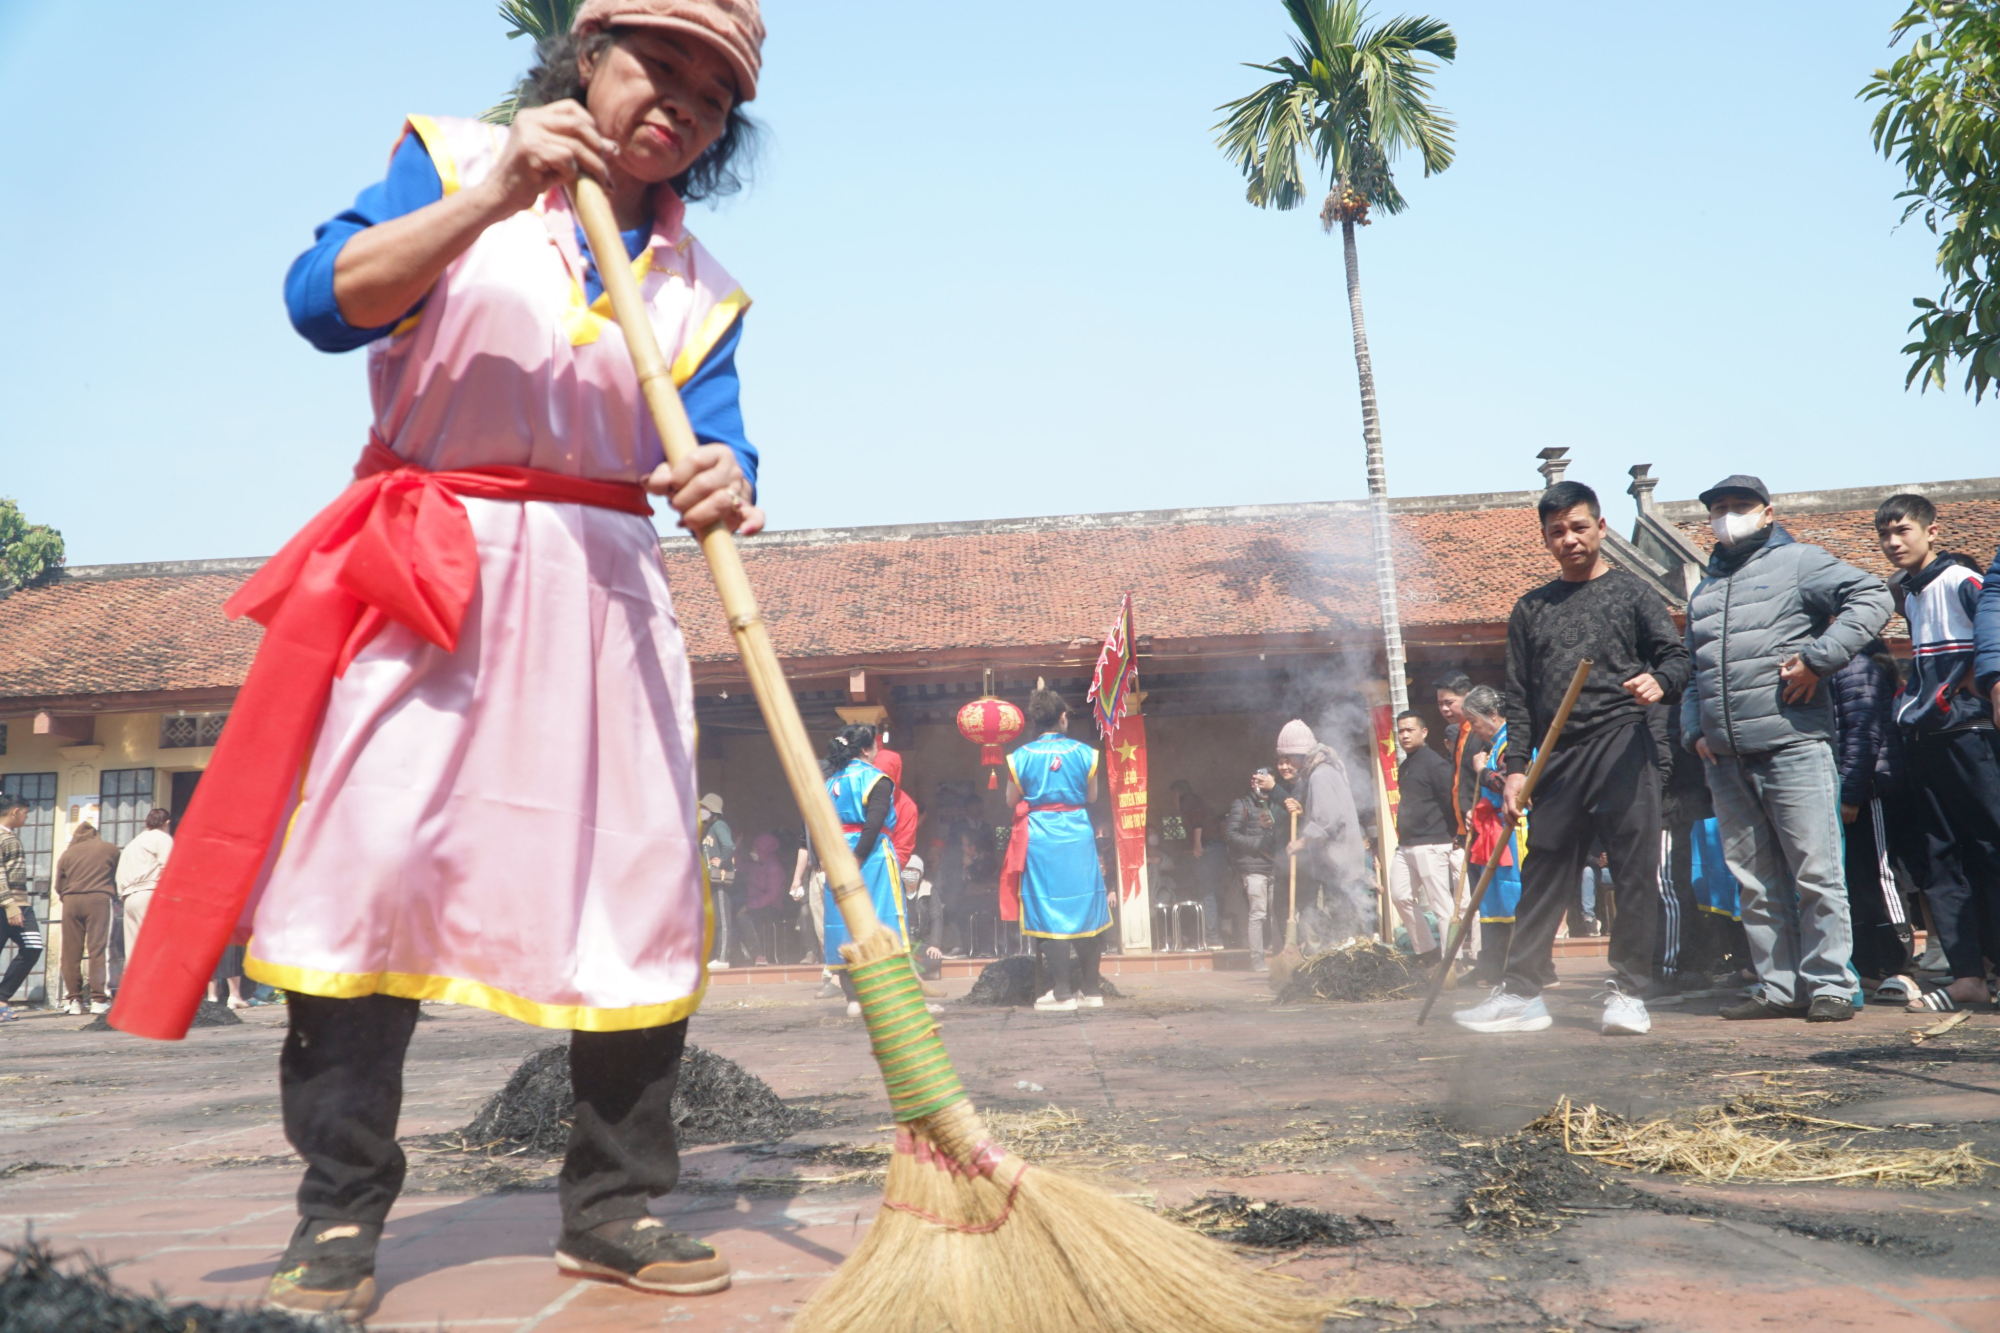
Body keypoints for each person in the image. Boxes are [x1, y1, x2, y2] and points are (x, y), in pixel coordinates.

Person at [111, 4, 770, 1315]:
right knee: (371, 871)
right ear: (590, 58)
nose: (680, 102)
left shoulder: (703, 287)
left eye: (713, 91)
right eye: (660, 65)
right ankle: (338, 1218)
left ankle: (616, 1203)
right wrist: (494, 195)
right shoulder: (451, 156)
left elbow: (722, 440)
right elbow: (324, 304)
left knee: (635, 890)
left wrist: (724, 477)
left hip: (608, 589)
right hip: (435, 564)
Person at [1455, 480, 1690, 1038]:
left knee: (1635, 870)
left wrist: (1658, 682)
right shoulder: (1530, 609)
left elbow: (1677, 657)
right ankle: (1522, 991)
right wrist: (1516, 769)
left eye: (1579, 527)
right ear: (1545, 539)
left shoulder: (1633, 593)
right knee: (1545, 867)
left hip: (1621, 741)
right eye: (1557, 531)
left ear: (1601, 528)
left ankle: (1629, 991)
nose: (1570, 539)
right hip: (1556, 754)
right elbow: (1519, 696)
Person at [1683, 475, 1891, 1023]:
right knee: (1754, 881)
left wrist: (1819, 659)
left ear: (1768, 512)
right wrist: (1694, 731)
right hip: (1726, 757)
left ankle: (1830, 984)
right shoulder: (1704, 590)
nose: (1728, 516)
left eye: (1739, 506)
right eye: (1719, 508)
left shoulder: (1799, 562)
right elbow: (1692, 673)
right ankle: (1778, 986)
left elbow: (1874, 595)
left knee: (1815, 872)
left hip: (1792, 745)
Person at [1879, 493, 2000, 1012]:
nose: (1892, 542)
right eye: (1884, 534)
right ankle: (1968, 974)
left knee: (1991, 850)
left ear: (1932, 531)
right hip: (1925, 742)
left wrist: (1969, 691)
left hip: (1971, 737)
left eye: (1902, 530)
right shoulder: (1906, 594)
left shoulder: (1964, 582)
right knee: (1941, 860)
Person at [1004, 689, 1111, 1011]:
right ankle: (1091, 991)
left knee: (1048, 909)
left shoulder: (1020, 756)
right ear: (1062, 717)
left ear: (1036, 720)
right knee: (1086, 907)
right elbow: (1091, 797)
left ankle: (1062, 991)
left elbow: (1011, 800)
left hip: (1041, 837)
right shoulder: (1085, 753)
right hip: (1077, 833)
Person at [1829, 637, 1919, 1003]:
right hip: (1843, 786)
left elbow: (1864, 734)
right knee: (1852, 878)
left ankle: (1898, 966)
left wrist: (1852, 792)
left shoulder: (1856, 668)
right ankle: (1866, 964)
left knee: (1881, 875)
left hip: (1869, 790)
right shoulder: (1831, 667)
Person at [822, 724, 920, 1018]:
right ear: (865, 749)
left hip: (837, 854)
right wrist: (858, 858)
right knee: (884, 920)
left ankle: (853, 998)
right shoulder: (877, 779)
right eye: (875, 746)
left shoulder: (830, 782)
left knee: (843, 923)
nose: (878, 751)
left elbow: (820, 822)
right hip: (871, 856)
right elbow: (874, 823)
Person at [1273, 720, 1373, 945]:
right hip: (1340, 860)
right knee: (1348, 916)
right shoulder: (1327, 769)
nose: (1286, 764)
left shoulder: (1320, 774)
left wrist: (1302, 841)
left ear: (1299, 754)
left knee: (1345, 919)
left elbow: (1327, 819)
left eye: (1288, 757)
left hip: (1338, 861)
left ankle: (1353, 963)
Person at [1457, 688, 1519, 984]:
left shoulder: (1511, 743)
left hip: (1512, 834)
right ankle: (1492, 965)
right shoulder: (1494, 745)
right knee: (1491, 901)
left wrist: (1482, 772)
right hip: (1491, 832)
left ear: (1492, 714)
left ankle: (1518, 967)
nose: (1474, 729)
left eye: (1475, 721)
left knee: (1510, 898)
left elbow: (1510, 784)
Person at [1389, 711, 1456, 965]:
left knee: (1441, 904)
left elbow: (1448, 800)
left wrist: (1453, 833)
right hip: (1406, 845)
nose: (1404, 735)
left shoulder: (1436, 764)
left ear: (1424, 732)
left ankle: (1452, 957)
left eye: (1409, 730)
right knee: (1400, 895)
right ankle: (1427, 952)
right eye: (1401, 731)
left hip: (1432, 842)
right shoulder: (1405, 764)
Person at [54, 823, 120, 1015]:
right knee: (98, 949)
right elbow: (117, 874)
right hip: (98, 899)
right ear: (95, 835)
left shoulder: (67, 854)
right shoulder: (109, 848)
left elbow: (59, 885)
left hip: (71, 902)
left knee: (70, 952)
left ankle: (74, 1000)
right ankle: (99, 999)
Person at [1225, 768, 1286, 971]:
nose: (1262, 785)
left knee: (1279, 913)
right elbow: (1231, 835)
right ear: (1252, 783)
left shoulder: (1280, 803)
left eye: (1266, 780)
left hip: (1278, 867)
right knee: (1258, 913)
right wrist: (1259, 844)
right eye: (1258, 781)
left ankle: (1281, 957)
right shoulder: (1241, 804)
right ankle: (1257, 959)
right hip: (1253, 868)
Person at [0, 795, 43, 1021]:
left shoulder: (10, 836)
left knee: (33, 947)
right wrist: (9, 905)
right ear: (15, 811)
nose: (27, 817)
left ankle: (1, 998)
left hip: (21, 904)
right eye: (25, 813)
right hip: (6, 905)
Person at [115, 809, 174, 958]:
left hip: (128, 899)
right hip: (150, 893)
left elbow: (120, 874)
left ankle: (133, 981)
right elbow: (170, 867)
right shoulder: (162, 838)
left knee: (134, 952)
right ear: (167, 823)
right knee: (155, 945)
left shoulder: (132, 844)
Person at [736, 832, 789, 965]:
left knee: (744, 917)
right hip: (753, 903)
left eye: (755, 849)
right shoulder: (756, 863)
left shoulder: (774, 868)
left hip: (771, 907)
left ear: (763, 850)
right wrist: (735, 848)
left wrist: (750, 906)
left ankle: (758, 955)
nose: (752, 852)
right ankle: (739, 953)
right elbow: (739, 867)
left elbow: (772, 896)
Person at [699, 794, 737, 967]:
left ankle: (723, 959)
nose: (701, 811)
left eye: (705, 808)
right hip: (710, 880)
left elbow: (729, 846)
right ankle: (717, 956)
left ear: (712, 810)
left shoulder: (719, 825)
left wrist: (722, 860)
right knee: (715, 919)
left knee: (722, 918)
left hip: (719, 879)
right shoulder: (709, 828)